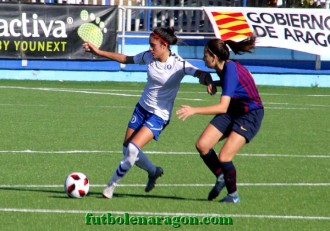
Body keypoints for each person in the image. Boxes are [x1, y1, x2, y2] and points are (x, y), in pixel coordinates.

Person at [82, 27, 217, 198]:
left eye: (153, 45)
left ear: (164, 45)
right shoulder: (148, 56)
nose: (150, 48)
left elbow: (199, 73)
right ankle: (154, 171)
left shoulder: (178, 64)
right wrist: (98, 51)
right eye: (149, 45)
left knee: (132, 149)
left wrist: (208, 80)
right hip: (141, 109)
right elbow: (125, 58)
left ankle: (110, 186)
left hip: (159, 115)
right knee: (127, 149)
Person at [176, 35, 264, 203]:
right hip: (233, 110)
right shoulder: (225, 67)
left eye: (205, 55)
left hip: (249, 114)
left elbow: (222, 106)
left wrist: (194, 110)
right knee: (203, 145)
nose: (203, 58)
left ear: (214, 57)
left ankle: (233, 196)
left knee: (224, 157)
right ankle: (222, 176)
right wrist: (216, 83)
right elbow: (234, 83)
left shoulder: (230, 71)